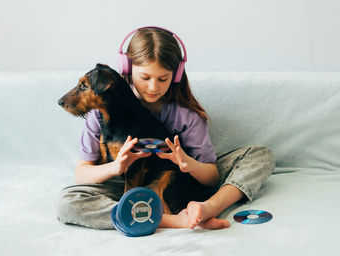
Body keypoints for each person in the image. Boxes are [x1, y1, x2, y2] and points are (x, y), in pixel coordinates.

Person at [56, 26, 275, 230]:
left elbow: (211, 176)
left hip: (178, 182)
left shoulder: (186, 116)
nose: (153, 87)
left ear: (176, 75)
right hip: (119, 188)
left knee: (260, 155)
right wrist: (117, 167)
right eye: (145, 77)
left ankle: (208, 208)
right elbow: (81, 173)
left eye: (163, 78)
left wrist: (188, 163)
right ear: (127, 68)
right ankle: (171, 220)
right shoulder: (101, 111)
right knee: (67, 203)